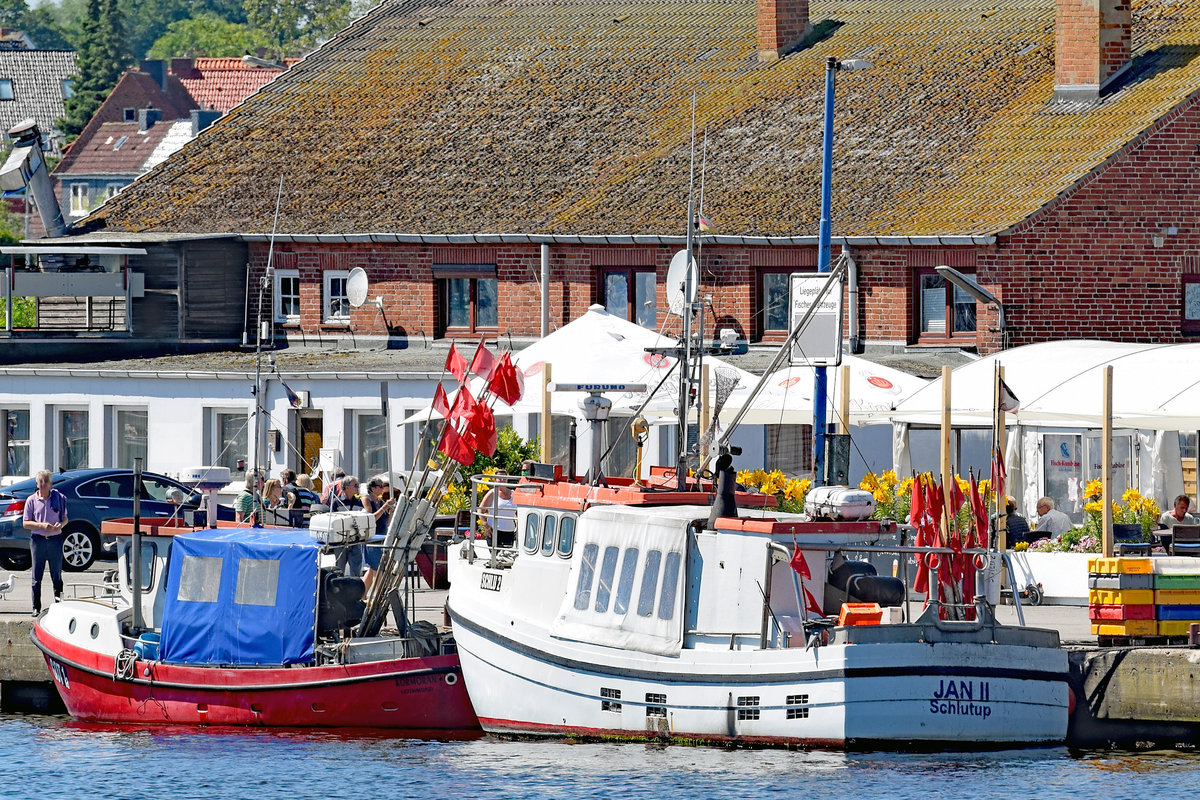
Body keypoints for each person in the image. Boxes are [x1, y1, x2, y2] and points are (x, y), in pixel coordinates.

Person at [23, 470, 67, 616]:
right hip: (38, 540)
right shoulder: (31, 500)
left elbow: (65, 518)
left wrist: (61, 525)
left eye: (45, 481)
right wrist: (42, 526)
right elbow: (25, 523)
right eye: (40, 481)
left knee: (56, 575)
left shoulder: (59, 498)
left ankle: (59, 605)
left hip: (55, 540)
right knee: (36, 576)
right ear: (37, 484)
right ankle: (36, 607)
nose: (43, 484)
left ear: (50, 483)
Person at [360, 475, 396, 593]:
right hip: (371, 538)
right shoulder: (366, 500)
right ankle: (378, 595)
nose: (383, 489)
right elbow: (371, 518)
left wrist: (390, 511)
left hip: (381, 537)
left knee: (372, 570)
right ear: (373, 488)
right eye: (381, 486)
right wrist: (384, 507)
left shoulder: (380, 501)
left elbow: (387, 522)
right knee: (377, 569)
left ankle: (362, 595)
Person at [477, 471, 517, 546]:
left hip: (510, 531)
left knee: (508, 556)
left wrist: (517, 525)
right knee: (496, 556)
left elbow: (516, 513)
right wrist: (486, 525)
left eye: (504, 478)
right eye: (499, 478)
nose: (502, 480)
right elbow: (480, 510)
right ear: (495, 480)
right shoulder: (492, 493)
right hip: (494, 531)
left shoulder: (513, 493)